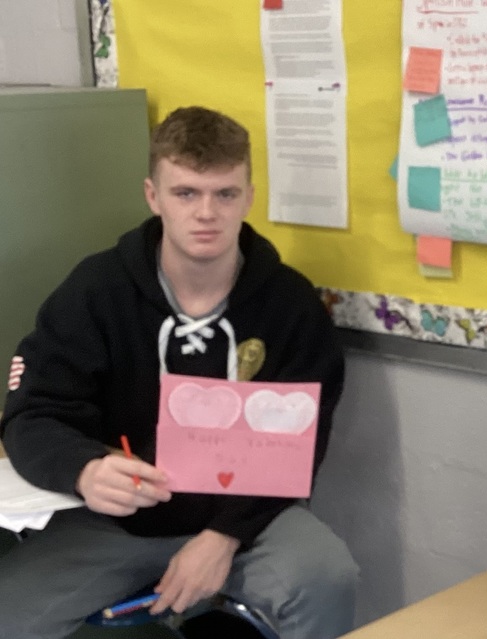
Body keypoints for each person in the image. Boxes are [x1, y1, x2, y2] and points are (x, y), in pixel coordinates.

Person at [0, 106, 358, 638]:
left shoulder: (289, 305)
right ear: (153, 195)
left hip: (248, 523)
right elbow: (32, 414)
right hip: (116, 523)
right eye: (186, 193)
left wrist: (222, 537)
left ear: (249, 198)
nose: (206, 213)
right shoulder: (97, 291)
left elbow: (300, 443)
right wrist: (85, 470)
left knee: (329, 575)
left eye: (225, 194)